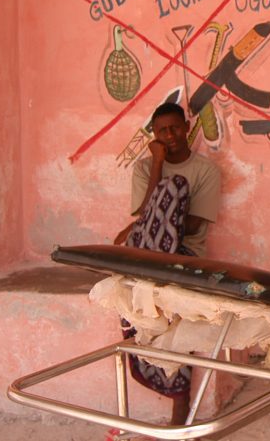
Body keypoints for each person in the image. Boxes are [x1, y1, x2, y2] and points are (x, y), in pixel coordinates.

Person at [114, 101, 222, 425]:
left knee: (176, 188)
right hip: (146, 251)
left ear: (187, 128)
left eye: (176, 127)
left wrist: (145, 222)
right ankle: (146, 269)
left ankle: (179, 408)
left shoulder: (206, 171)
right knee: (141, 310)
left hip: (183, 254)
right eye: (162, 131)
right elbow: (145, 217)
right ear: (154, 135)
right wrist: (158, 164)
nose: (171, 135)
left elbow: (191, 227)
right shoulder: (145, 168)